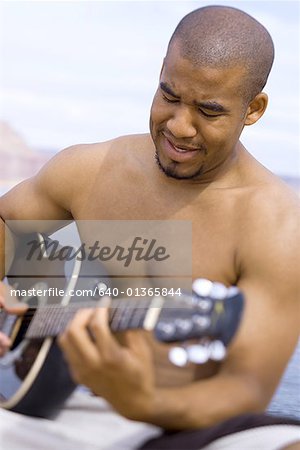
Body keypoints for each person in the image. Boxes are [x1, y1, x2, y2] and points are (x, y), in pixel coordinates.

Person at [0, 5, 300, 449]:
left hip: (182, 427)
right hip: (48, 406)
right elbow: (8, 220)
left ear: (252, 109)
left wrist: (145, 402)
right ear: (161, 72)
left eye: (209, 111)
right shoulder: (91, 168)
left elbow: (248, 388)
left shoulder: (278, 225)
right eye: (170, 95)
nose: (180, 127)